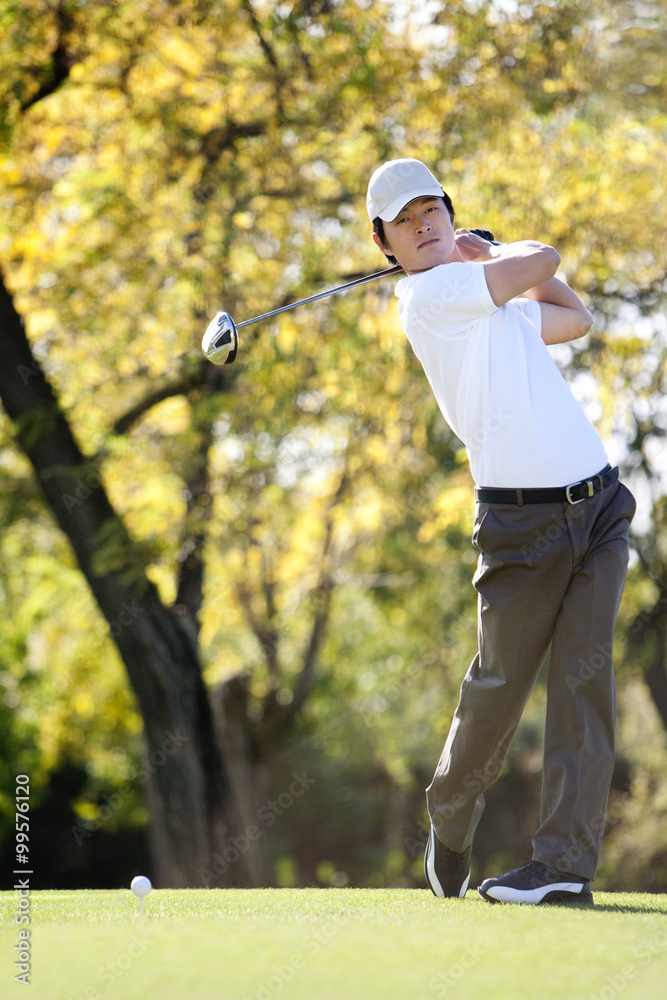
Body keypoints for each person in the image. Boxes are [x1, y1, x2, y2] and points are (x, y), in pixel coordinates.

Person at [366, 158, 636, 905]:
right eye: (405, 219)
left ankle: (563, 867)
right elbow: (542, 260)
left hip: (600, 508)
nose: (423, 224)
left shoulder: (485, 291)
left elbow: (573, 316)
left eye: (433, 210)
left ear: (450, 215)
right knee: (495, 690)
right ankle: (449, 820)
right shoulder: (430, 297)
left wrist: (491, 259)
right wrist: (491, 254)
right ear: (385, 245)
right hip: (521, 524)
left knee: (584, 688)